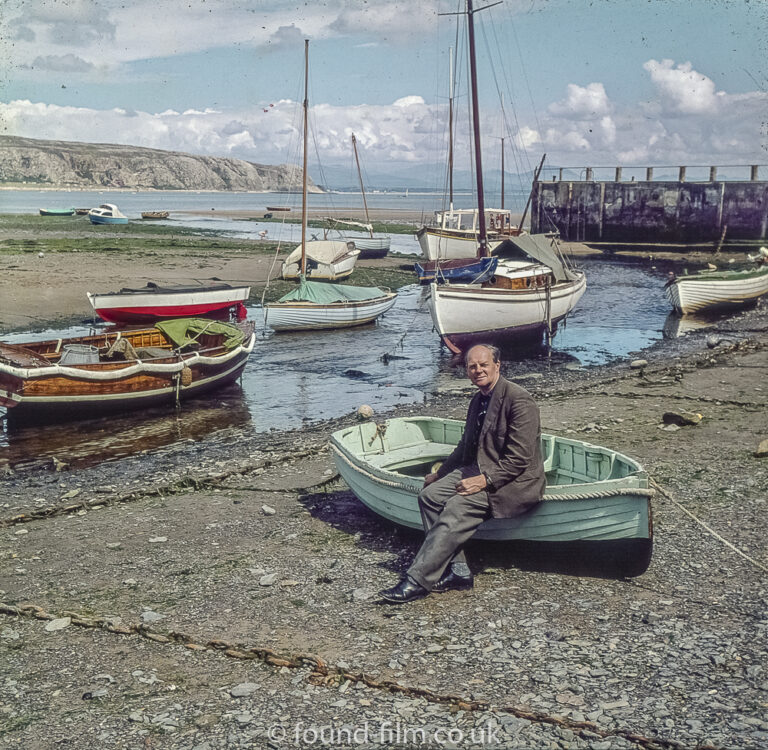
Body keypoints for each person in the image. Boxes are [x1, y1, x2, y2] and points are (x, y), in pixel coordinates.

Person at [378, 343, 546, 604]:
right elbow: (465, 447)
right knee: (430, 496)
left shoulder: (519, 400)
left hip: (512, 482)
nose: (478, 370)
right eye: (472, 366)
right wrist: (441, 474)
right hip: (480, 469)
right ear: (467, 371)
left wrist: (484, 480)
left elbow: (520, 459)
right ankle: (459, 571)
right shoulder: (478, 399)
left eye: (483, 365)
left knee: (457, 506)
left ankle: (417, 580)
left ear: (497, 366)